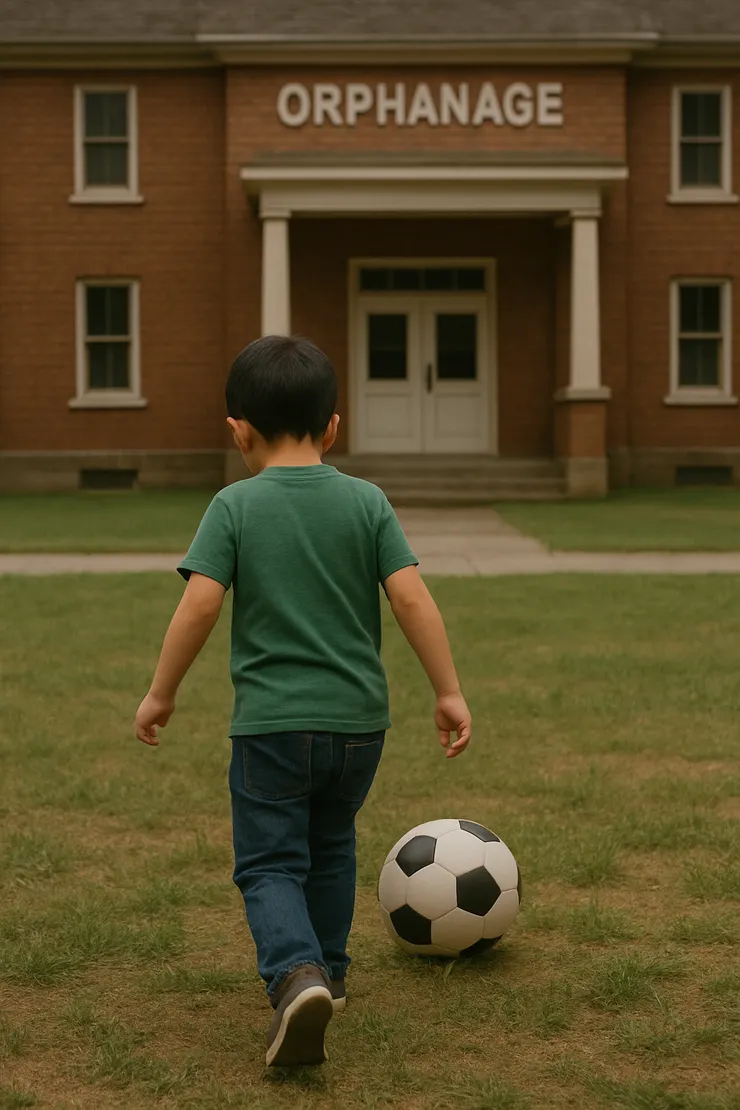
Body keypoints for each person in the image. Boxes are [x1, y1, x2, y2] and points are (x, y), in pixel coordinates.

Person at [134, 335, 472, 1068]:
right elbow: (411, 596)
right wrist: (446, 691)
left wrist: (162, 693)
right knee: (331, 846)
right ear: (333, 427)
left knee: (268, 864)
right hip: (359, 727)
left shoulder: (234, 506)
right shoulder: (367, 501)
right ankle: (333, 973)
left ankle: (296, 975)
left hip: (272, 728)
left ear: (238, 430)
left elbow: (198, 607)